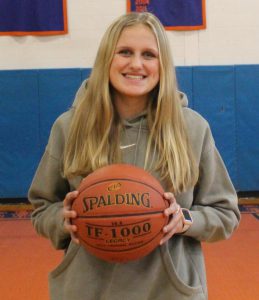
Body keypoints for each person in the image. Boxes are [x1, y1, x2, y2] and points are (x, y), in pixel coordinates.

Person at [28, 12, 240, 300]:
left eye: (149, 55)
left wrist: (185, 219)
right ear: (107, 58)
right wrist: (61, 219)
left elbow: (225, 213)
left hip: (169, 291)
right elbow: (42, 207)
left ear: (162, 64)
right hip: (88, 289)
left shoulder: (192, 128)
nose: (136, 64)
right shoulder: (69, 127)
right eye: (125, 52)